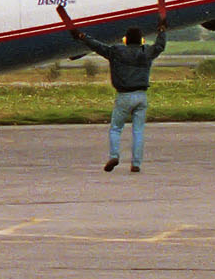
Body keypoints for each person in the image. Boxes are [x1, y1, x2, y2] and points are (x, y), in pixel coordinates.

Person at [67, 14, 167, 173]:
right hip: (141, 96)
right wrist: (162, 30)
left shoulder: (116, 51)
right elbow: (160, 45)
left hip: (123, 96)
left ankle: (114, 155)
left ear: (125, 39)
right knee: (138, 131)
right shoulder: (147, 52)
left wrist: (82, 36)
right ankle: (136, 164)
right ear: (142, 40)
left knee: (116, 128)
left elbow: (97, 46)